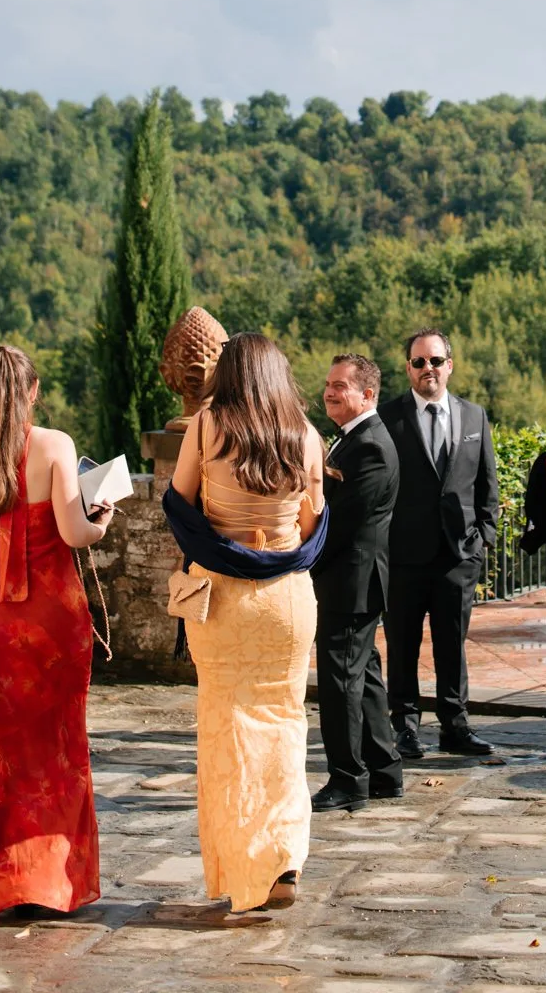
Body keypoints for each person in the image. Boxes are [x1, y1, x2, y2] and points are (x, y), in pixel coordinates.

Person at [0, 344, 112, 920]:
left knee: (0, 753)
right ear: (31, 392)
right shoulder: (55, 446)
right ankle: (58, 885)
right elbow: (75, 534)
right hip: (53, 620)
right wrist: (102, 515)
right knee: (58, 748)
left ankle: (9, 887)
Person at [169, 332, 325, 912]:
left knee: (226, 729)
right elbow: (313, 526)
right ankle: (283, 857)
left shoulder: (208, 427)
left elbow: (179, 503)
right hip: (286, 598)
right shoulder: (305, 435)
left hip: (224, 597)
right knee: (285, 724)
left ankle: (243, 871)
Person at [379, 330, 499, 759]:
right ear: (408, 368)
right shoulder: (386, 418)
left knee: (452, 645)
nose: (427, 369)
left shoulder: (474, 416)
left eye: (435, 360)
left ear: (450, 364)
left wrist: (482, 538)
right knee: (403, 646)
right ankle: (405, 728)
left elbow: (488, 485)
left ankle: (455, 727)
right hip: (403, 556)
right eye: (418, 362)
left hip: (458, 555)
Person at [310, 354, 405, 812]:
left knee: (340, 683)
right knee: (364, 679)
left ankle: (348, 780)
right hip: (353, 582)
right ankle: (384, 771)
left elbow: (340, 523)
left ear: (367, 395)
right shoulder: (352, 439)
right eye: (328, 383)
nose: (329, 392)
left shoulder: (369, 446)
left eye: (340, 386)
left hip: (351, 582)